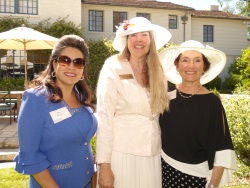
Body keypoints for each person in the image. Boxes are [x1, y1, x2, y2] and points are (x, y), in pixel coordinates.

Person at [95, 17, 172, 188]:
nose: (139, 40)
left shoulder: (158, 70)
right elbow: (104, 116)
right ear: (126, 40)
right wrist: (104, 164)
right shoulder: (113, 66)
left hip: (152, 154)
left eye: (144, 35)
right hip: (121, 154)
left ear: (151, 40)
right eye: (133, 35)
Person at [14, 34, 97, 188]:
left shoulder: (81, 96)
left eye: (78, 62)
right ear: (54, 63)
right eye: (65, 60)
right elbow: (30, 156)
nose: (72, 66)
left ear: (83, 69)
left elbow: (81, 139)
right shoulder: (35, 99)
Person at [158, 40, 237, 188]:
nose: (191, 66)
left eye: (197, 60)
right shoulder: (166, 96)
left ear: (204, 67)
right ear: (177, 65)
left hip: (196, 177)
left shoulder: (212, 103)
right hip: (163, 172)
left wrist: (213, 185)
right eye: (185, 60)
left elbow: (222, 147)